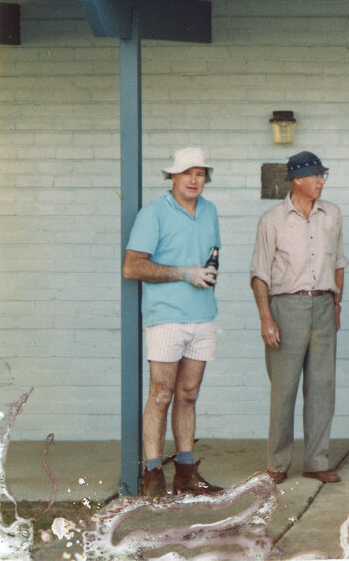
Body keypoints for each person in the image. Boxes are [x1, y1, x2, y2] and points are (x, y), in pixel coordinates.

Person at [122, 146, 223, 498]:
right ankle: (153, 473)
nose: (194, 180)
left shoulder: (209, 211)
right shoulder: (154, 213)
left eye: (200, 173)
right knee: (161, 393)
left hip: (203, 316)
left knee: (189, 394)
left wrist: (206, 275)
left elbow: (212, 256)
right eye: (187, 173)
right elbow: (132, 266)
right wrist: (184, 273)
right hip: (165, 317)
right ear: (173, 177)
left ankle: (186, 472)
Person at [250, 151, 347, 484]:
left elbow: (339, 263)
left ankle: (317, 460)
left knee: (322, 388)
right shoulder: (272, 219)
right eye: (315, 176)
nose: (321, 182)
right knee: (284, 388)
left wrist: (337, 305)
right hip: (286, 307)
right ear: (297, 180)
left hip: (324, 306)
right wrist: (266, 318)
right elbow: (259, 274)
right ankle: (277, 463)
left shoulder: (332, 214)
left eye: (322, 176)